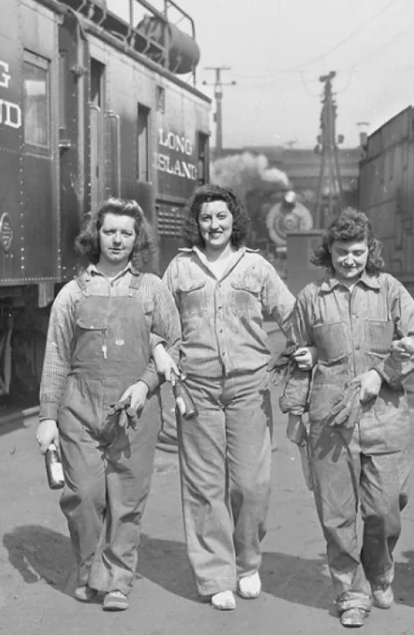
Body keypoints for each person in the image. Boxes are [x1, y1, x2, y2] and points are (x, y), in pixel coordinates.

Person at [155, 184, 303, 611]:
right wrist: (162, 351)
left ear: (233, 220)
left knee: (250, 484)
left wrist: (305, 349)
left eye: (221, 217)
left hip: (248, 388)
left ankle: (247, 562)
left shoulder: (255, 268)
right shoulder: (180, 269)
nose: (214, 225)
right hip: (196, 388)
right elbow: (159, 319)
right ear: (196, 224)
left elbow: (291, 317)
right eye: (205, 218)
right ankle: (215, 574)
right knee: (204, 486)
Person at [35, 198, 179, 612]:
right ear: (95, 234)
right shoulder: (71, 293)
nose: (117, 240)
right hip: (79, 407)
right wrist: (48, 417)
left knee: (127, 500)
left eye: (126, 233)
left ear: (138, 240)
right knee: (83, 495)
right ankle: (88, 570)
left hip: (135, 408)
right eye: (110, 231)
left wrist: (146, 382)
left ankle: (116, 579)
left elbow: (176, 346)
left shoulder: (152, 289)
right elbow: (57, 357)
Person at [287, 207, 414, 628]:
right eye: (342, 251)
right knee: (336, 512)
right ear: (328, 250)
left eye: (359, 251)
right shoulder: (311, 298)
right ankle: (351, 591)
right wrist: (295, 412)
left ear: (371, 251)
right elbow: (294, 357)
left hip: (385, 416)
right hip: (329, 419)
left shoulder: (390, 290)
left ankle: (380, 568)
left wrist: (381, 373)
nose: (350, 259)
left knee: (386, 508)